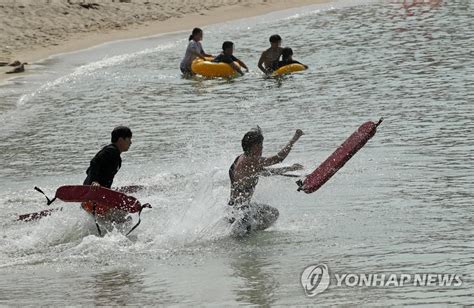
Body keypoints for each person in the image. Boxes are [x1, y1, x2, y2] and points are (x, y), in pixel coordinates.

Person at [227, 127, 304, 236]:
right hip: (241, 215)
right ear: (252, 147)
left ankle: (251, 232)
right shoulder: (250, 161)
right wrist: (294, 139)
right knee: (272, 214)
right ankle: (249, 232)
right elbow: (278, 158)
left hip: (236, 211)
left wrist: (289, 168)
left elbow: (267, 172)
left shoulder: (242, 159)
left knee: (272, 214)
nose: (262, 148)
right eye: (259, 146)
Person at [82, 126, 132, 223]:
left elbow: (89, 171)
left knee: (113, 219)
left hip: (92, 199)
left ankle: (104, 235)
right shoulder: (111, 151)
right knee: (125, 217)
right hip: (95, 198)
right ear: (121, 139)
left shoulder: (116, 156)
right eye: (129, 139)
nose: (130, 142)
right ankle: (117, 237)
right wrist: (95, 181)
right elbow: (94, 163)